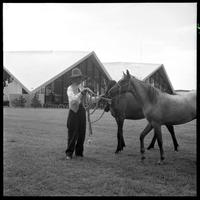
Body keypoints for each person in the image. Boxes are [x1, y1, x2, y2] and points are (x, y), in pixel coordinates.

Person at [65, 68, 100, 160]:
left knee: (81, 134)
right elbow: (73, 100)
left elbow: (89, 99)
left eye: (80, 77)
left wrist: (98, 98)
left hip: (81, 112)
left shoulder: (81, 88)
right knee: (73, 134)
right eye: (78, 78)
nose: (80, 79)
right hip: (73, 113)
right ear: (73, 79)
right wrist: (81, 93)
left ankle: (79, 153)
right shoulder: (70, 89)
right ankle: (69, 154)